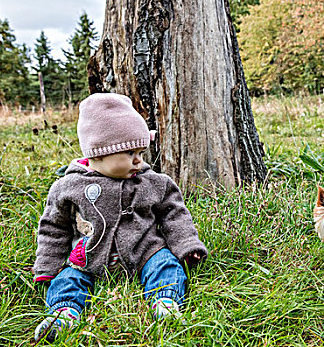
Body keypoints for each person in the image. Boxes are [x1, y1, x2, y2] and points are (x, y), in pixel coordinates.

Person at [33, 93, 208, 342]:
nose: (139, 161)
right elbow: (54, 227)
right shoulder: (68, 187)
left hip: (145, 250)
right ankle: (64, 313)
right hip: (89, 256)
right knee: (68, 279)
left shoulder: (153, 183)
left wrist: (186, 245)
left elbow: (174, 213)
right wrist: (48, 266)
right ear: (100, 153)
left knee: (166, 266)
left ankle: (166, 302)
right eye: (130, 154)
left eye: (141, 152)